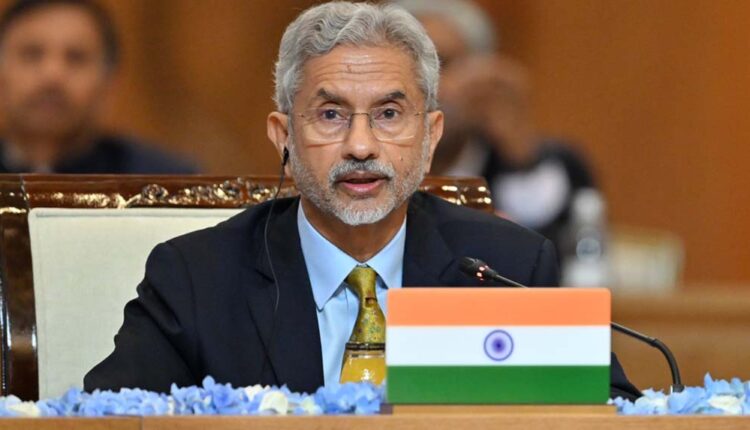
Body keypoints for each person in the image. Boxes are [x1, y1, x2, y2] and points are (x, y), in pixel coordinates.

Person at [84, 2, 639, 400]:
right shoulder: (197, 277)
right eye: (330, 115)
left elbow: (611, 411)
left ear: (431, 137)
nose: (361, 145)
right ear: (283, 136)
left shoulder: (506, 268)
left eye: (389, 114)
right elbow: (105, 417)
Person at [393, 0, 597, 252]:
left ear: (486, 74)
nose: (424, 86)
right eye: (410, 67)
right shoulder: (363, 163)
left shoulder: (543, 166)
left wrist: (520, 155)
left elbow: (553, 259)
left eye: (441, 63)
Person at [0, 0, 197, 174]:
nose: (53, 75)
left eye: (76, 57)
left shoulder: (166, 183)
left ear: (108, 84)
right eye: (32, 55)